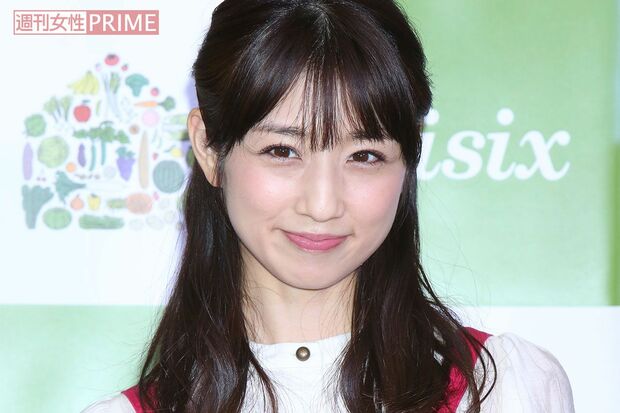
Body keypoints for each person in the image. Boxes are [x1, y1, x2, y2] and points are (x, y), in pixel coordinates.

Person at [82, 0, 575, 412]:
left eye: (365, 156)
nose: (322, 205)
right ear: (210, 149)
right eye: (283, 151)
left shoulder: (502, 390)